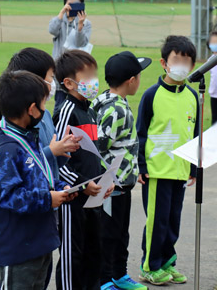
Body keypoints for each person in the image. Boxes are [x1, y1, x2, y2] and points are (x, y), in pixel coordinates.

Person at [0, 71, 77, 290]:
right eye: (44, 103)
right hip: (18, 245)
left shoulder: (28, 135)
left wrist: (60, 188)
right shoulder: (7, 147)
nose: (46, 109)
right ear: (31, 109)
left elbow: (39, 175)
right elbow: (9, 196)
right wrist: (48, 199)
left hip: (40, 239)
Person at [136, 35, 198, 286]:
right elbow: (140, 133)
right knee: (157, 221)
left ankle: (167, 262)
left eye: (187, 60)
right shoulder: (151, 95)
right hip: (156, 171)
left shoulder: (193, 96)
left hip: (180, 170)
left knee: (173, 220)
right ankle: (149, 266)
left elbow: (193, 135)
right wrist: (141, 165)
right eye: (176, 59)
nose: (181, 64)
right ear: (164, 62)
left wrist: (193, 168)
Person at [53, 49, 113, 290]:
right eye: (87, 76)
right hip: (72, 198)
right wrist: (81, 183)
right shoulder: (66, 111)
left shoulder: (90, 110)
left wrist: (104, 181)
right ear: (68, 83)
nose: (94, 81)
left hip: (93, 197)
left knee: (93, 253)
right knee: (71, 256)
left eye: (94, 75)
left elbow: (93, 154)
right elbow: (57, 160)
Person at [91, 51, 151, 290]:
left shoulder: (110, 99)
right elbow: (100, 147)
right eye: (138, 75)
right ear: (131, 80)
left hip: (122, 184)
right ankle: (105, 280)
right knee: (109, 235)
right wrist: (107, 179)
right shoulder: (115, 109)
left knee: (120, 234)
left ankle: (119, 274)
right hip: (111, 186)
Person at [6, 48, 81, 227]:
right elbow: (24, 162)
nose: (52, 83)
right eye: (49, 77)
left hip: (50, 201)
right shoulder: (18, 122)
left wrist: (62, 151)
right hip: (31, 204)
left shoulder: (46, 114)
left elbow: (51, 163)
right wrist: (51, 151)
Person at [49, 0, 92, 113]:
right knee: (60, 103)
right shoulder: (59, 20)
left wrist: (80, 26)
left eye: (76, 3)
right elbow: (52, 30)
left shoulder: (86, 23)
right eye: (69, 3)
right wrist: (61, 14)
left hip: (77, 68)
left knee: (77, 103)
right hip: (59, 67)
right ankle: (58, 129)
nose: (72, 6)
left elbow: (80, 43)